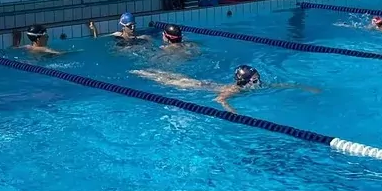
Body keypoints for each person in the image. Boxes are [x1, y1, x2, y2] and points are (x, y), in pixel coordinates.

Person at [132, 64, 317, 114]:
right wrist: (234, 113)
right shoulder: (235, 91)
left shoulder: (251, 87)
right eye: (254, 80)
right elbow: (219, 99)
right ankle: (139, 72)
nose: (258, 83)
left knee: (165, 75)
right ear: (244, 82)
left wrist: (301, 87)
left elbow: (278, 85)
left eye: (258, 79)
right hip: (192, 86)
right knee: (162, 79)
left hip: (204, 83)